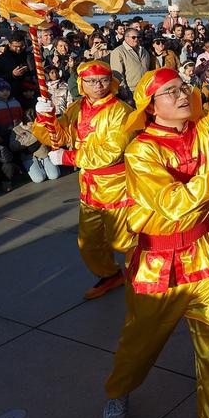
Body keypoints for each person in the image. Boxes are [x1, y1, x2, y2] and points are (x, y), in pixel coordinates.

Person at [101, 38, 209, 418]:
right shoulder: (141, 151)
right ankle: (119, 391)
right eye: (170, 91)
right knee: (140, 344)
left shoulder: (204, 131)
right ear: (151, 107)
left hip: (204, 258)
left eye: (182, 87)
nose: (182, 93)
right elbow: (173, 204)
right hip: (157, 265)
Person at [35, 61, 134, 300]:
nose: (98, 85)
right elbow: (59, 136)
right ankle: (110, 274)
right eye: (91, 81)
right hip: (89, 186)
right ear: (81, 84)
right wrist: (44, 117)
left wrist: (68, 157)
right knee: (88, 242)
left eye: (103, 80)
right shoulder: (77, 107)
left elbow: (112, 152)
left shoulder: (120, 111)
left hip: (117, 186)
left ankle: (144, 274)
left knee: (124, 241)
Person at [109, 27, 151, 104]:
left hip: (145, 89)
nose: (136, 39)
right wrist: (122, 89)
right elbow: (117, 74)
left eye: (138, 37)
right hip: (130, 91)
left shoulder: (144, 51)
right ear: (126, 38)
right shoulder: (118, 52)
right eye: (133, 37)